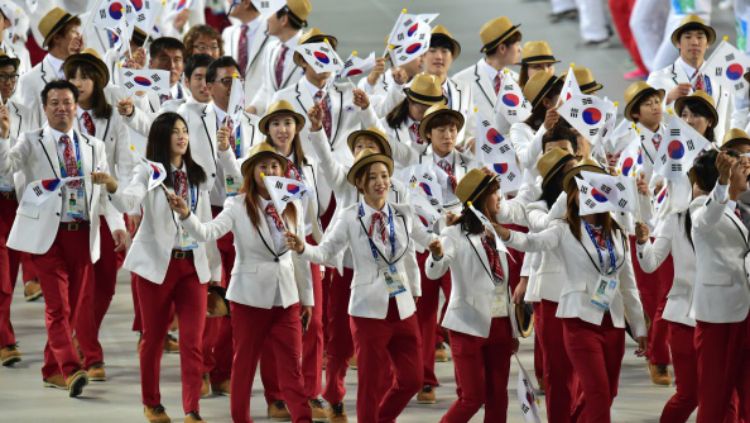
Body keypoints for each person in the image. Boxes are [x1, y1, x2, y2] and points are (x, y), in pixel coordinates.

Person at [286, 148, 433, 423]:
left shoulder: (403, 213)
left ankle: (382, 418)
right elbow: (326, 251)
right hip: (367, 310)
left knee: (413, 379)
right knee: (370, 383)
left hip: (402, 306)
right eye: (373, 177)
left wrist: (439, 244)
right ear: (361, 184)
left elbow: (426, 240)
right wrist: (303, 248)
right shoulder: (350, 217)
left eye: (385, 175)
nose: (381, 182)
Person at [170, 142, 314, 423]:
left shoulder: (292, 204)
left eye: (274, 166)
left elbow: (300, 255)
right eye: (263, 166)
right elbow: (207, 231)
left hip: (286, 297)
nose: (269, 171)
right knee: (245, 366)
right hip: (249, 298)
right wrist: (187, 215)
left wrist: (307, 298)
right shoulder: (236, 204)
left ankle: (303, 418)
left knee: (292, 367)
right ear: (252, 172)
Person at [497, 160, 648, 423]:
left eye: (596, 186)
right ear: (572, 195)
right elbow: (533, 242)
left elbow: (629, 284)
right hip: (579, 321)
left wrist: (640, 328)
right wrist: (505, 234)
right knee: (598, 392)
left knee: (607, 392)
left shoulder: (618, 233)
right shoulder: (564, 228)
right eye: (580, 188)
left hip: (611, 321)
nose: (589, 192)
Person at [91, 112, 216, 423]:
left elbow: (205, 224)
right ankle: (152, 403)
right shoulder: (148, 171)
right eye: (175, 131)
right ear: (162, 137)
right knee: (153, 339)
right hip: (156, 268)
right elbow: (130, 202)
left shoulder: (198, 174)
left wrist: (214, 273)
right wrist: (112, 185)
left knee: (192, 342)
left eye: (185, 130)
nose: (182, 136)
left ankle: (192, 409)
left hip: (192, 268)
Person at [0, 80, 119, 398]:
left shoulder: (94, 146)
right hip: (47, 236)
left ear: (76, 106)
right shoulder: (31, 140)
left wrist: (116, 216)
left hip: (82, 234)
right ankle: (70, 368)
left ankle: (51, 370)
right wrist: (1, 138)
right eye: (54, 102)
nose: (61, 108)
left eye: (67, 102)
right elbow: (6, 166)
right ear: (45, 107)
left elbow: (104, 192)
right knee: (57, 306)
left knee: (71, 309)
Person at [306, 115, 407, 421]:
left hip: (389, 277)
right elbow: (324, 158)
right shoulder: (345, 181)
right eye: (358, 145)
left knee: (387, 341)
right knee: (339, 338)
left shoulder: (396, 188)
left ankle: (381, 400)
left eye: (370, 145)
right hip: (350, 270)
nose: (362, 150)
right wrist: (316, 130)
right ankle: (334, 395)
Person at [426, 168, 519, 423]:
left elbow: (504, 283)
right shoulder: (453, 233)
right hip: (467, 324)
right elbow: (436, 270)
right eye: (494, 193)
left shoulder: (497, 231)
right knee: (472, 397)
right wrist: (435, 255)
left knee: (498, 397)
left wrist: (511, 329)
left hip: (500, 323)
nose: (499, 198)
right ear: (479, 198)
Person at [63, 48, 134, 382]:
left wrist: (121, 216)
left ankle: (81, 331)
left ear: (98, 80)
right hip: (72, 208)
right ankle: (91, 353)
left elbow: (121, 165)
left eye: (85, 76)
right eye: (73, 76)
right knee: (83, 281)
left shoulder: (112, 116)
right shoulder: (63, 114)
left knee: (106, 282)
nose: (78, 83)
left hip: (107, 206)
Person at [687, 141, 750, 422]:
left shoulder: (743, 209)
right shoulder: (702, 208)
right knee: (715, 398)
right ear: (721, 174)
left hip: (745, 313)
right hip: (718, 318)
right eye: (739, 165)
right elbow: (705, 221)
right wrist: (722, 184)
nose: (746, 168)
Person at [0, 51, 40, 366]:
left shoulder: (25, 113)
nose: (9, 83)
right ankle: (5, 340)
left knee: (10, 272)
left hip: (17, 201)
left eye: (13, 76)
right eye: (3, 77)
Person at [646, 15, 735, 144]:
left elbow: (731, 116)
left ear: (708, 43)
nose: (694, 42)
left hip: (715, 156)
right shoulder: (659, 78)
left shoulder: (721, 77)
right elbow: (643, 119)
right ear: (678, 43)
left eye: (700, 37)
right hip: (678, 154)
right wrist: (667, 99)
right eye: (688, 37)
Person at [453, 16, 522, 135]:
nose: (520, 50)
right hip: (478, 151)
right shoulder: (460, 81)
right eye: (517, 45)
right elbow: (455, 126)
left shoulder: (517, 80)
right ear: (502, 48)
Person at [15, 7, 83, 126]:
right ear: (57, 38)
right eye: (74, 32)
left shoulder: (86, 72)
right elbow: (30, 129)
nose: (79, 37)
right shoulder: (30, 81)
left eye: (79, 32)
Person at [248, 0, 313, 115]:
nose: (267, 18)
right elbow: (267, 88)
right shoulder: (270, 49)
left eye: (271, 13)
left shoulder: (312, 51)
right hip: (272, 127)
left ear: (283, 20)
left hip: (301, 127)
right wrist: (253, 109)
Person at [381, 72, 446, 168]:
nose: (427, 116)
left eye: (432, 111)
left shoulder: (446, 128)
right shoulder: (385, 126)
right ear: (409, 102)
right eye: (422, 111)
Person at [423, 25, 473, 144]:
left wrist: (469, 144)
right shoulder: (408, 89)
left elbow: (471, 129)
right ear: (423, 56)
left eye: (444, 51)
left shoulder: (464, 89)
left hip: (455, 159)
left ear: (452, 57)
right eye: (432, 50)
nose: (439, 56)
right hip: (420, 159)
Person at [222, 0, 277, 98]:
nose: (228, 2)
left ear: (246, 3)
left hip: (263, 108)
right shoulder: (228, 33)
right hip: (232, 106)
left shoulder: (274, 32)